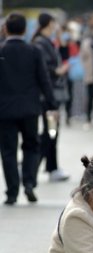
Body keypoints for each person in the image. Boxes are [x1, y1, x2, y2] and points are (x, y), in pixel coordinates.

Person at [0, 13, 57, 205]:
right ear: (25, 30)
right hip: (30, 108)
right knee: (31, 146)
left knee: (8, 150)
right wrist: (52, 103)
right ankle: (29, 182)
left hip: (5, 110)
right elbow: (44, 79)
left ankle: (12, 192)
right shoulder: (33, 51)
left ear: (6, 29)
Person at [32, 13, 71, 183]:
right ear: (50, 23)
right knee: (51, 131)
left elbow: (61, 57)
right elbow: (45, 69)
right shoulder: (41, 43)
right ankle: (37, 166)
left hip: (51, 92)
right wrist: (58, 71)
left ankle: (50, 166)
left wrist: (61, 42)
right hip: (48, 94)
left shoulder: (47, 42)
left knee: (52, 130)